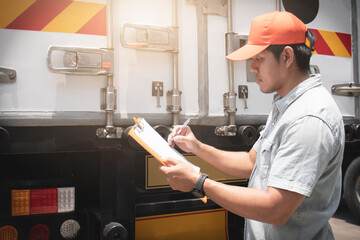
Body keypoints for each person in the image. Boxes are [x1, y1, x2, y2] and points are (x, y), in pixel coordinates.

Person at [159, 11, 345, 239]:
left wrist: (198, 183)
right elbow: (251, 162)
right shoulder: (287, 105)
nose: (252, 68)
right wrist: (196, 146)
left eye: (259, 58)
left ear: (287, 57)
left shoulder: (309, 118)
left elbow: (276, 209)